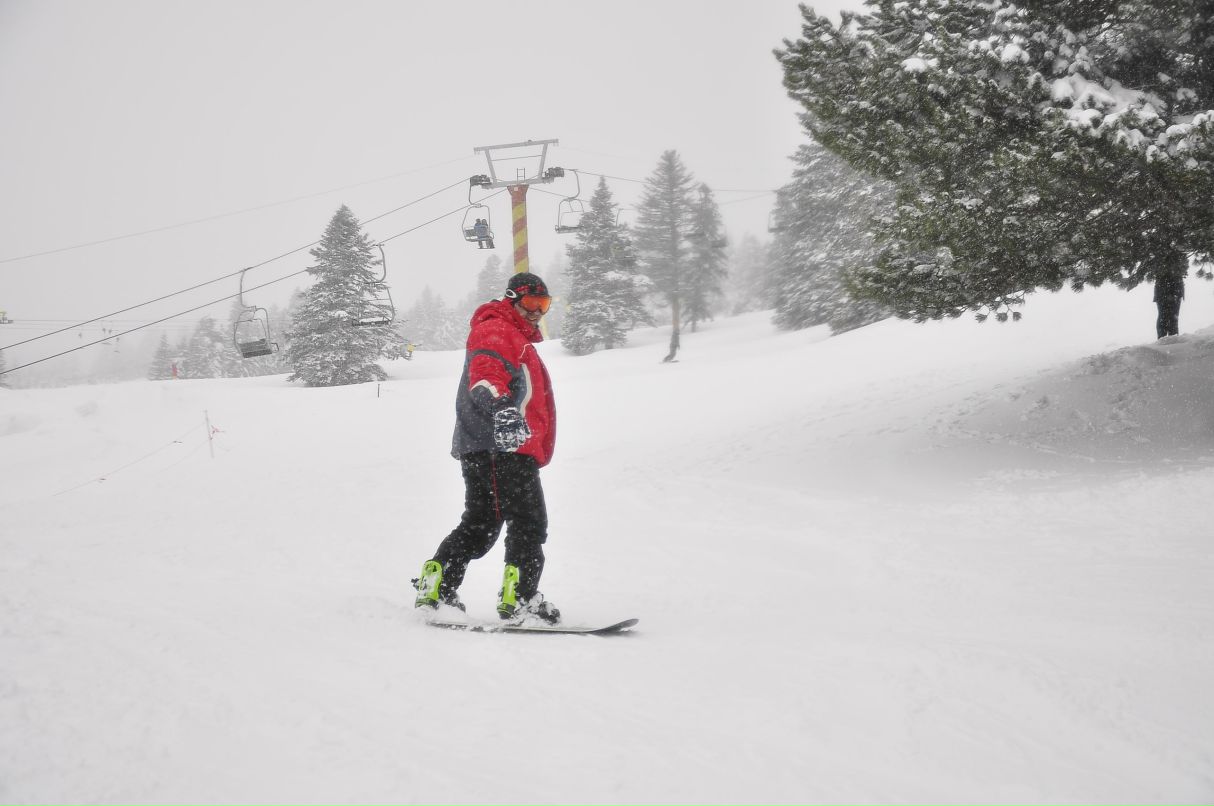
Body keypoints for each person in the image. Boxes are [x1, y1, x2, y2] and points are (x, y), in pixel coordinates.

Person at [414, 272, 559, 623]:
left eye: (544, 304)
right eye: (531, 303)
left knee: (481, 523)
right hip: (505, 445)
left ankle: (437, 586)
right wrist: (504, 412)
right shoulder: (497, 329)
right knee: (528, 522)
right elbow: (485, 376)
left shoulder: (507, 333)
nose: (537, 312)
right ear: (512, 299)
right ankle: (521, 598)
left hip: (485, 445)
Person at [1154, 267, 1185, 339]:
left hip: (1174, 288)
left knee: (1171, 317)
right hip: (1166, 288)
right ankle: (1165, 339)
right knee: (1165, 316)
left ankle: (1170, 339)